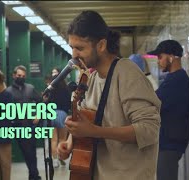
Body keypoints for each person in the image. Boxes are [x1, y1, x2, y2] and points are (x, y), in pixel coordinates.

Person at [57, 10, 161, 180]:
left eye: (80, 48)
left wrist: (95, 131)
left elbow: (149, 130)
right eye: (72, 48)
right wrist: (69, 144)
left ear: (101, 45)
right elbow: (86, 121)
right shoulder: (91, 79)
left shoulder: (127, 73)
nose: (74, 55)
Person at [147, 40, 189, 180]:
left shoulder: (178, 80)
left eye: (160, 57)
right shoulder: (173, 79)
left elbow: (154, 102)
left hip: (171, 144)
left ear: (171, 57)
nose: (158, 61)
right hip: (167, 141)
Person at [6, 65, 42, 180]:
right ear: (14, 75)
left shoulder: (30, 88)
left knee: (31, 152)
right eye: (19, 75)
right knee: (27, 152)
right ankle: (34, 175)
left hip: (30, 126)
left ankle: (34, 176)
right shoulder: (8, 91)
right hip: (17, 127)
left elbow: (40, 101)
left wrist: (38, 114)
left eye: (23, 76)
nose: (21, 77)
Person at [47, 70, 71, 168]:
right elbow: (69, 104)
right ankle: (61, 156)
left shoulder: (50, 91)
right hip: (62, 114)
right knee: (62, 139)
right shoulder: (66, 90)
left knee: (53, 140)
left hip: (52, 114)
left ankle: (55, 160)